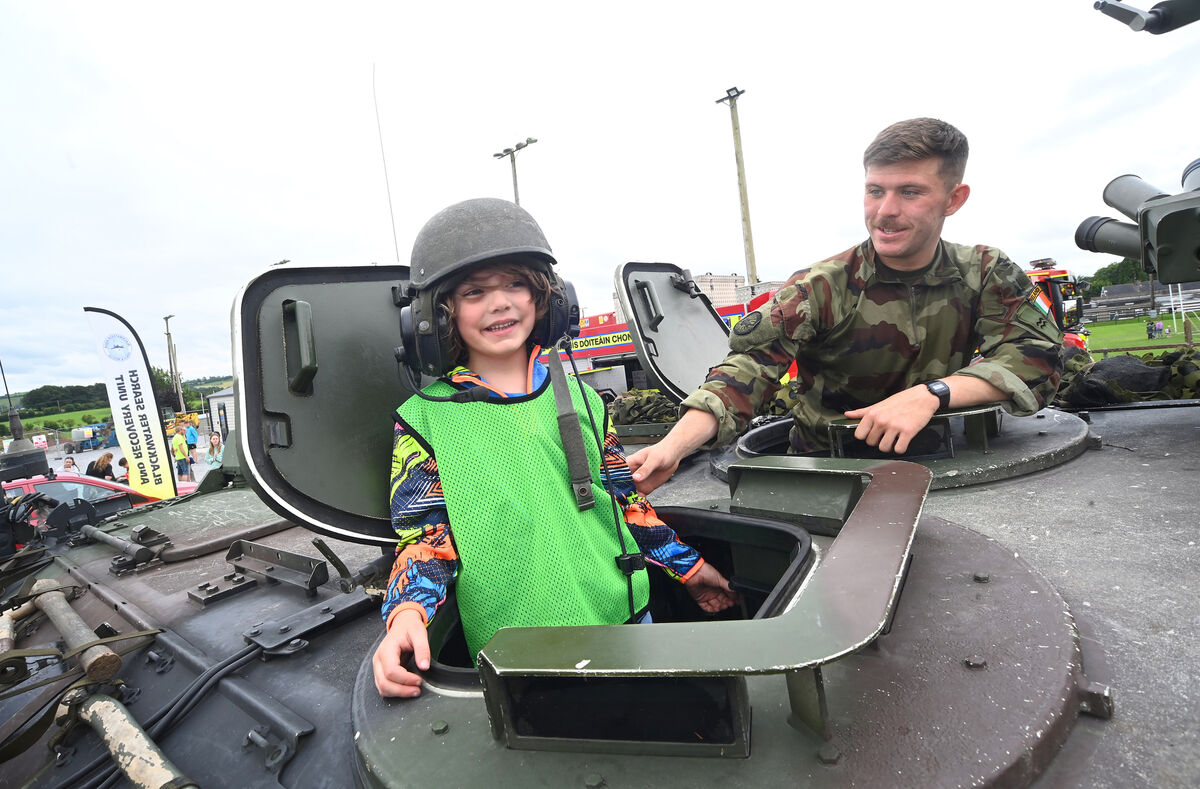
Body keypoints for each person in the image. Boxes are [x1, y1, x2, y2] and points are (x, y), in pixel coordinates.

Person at [371, 198, 737, 699]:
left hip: (629, 623)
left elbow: (627, 509)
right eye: (475, 292)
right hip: (521, 654)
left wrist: (690, 569)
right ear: (437, 316)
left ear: (547, 298)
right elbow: (425, 540)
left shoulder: (585, 401)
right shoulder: (423, 421)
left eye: (515, 284)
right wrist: (407, 612)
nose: (499, 303)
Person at [629, 118, 1064, 493]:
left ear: (954, 199)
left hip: (950, 465)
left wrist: (932, 395)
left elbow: (1038, 355)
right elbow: (747, 370)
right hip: (831, 475)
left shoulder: (984, 272)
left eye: (910, 192)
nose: (885, 212)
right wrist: (672, 446)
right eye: (875, 191)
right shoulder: (823, 286)